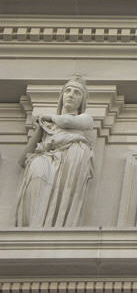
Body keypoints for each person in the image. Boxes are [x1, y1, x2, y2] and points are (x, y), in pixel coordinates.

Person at [15, 76, 94, 227]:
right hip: (46, 157)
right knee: (37, 174)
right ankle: (34, 226)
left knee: (61, 194)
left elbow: (66, 121)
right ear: (62, 96)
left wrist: (48, 117)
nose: (71, 94)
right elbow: (23, 159)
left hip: (68, 162)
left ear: (82, 101)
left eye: (77, 93)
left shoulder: (86, 118)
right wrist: (39, 129)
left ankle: (54, 224)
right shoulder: (48, 125)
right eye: (68, 91)